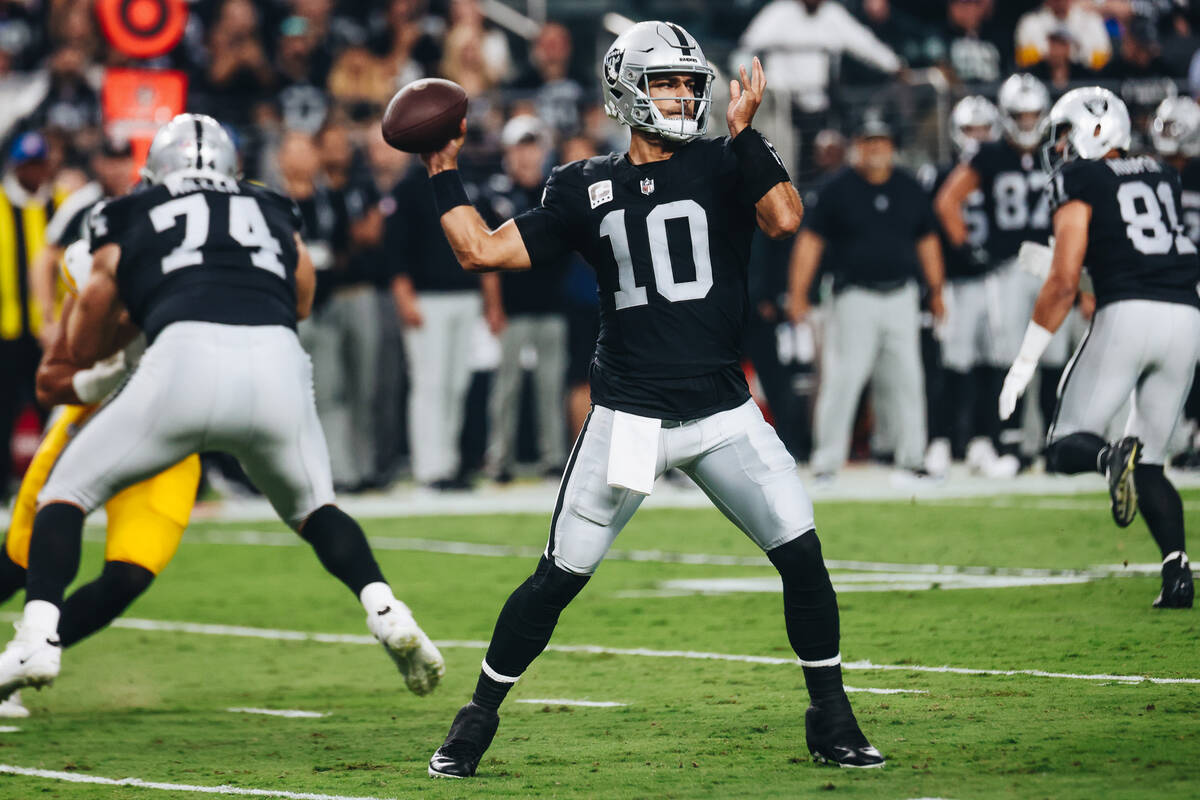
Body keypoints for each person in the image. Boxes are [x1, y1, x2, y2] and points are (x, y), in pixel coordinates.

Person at [420, 21, 883, 777]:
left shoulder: (725, 161)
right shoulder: (582, 186)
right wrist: (441, 167)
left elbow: (786, 218)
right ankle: (475, 719)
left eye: (688, 82)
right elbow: (481, 250)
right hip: (630, 418)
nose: (681, 95)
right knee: (556, 581)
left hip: (725, 414)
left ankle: (831, 718)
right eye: (666, 81)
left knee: (804, 557)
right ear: (628, 88)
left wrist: (748, 136)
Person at [0, 114, 444, 700]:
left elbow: (72, 348)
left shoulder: (126, 214)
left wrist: (100, 352)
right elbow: (303, 296)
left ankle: (36, 634)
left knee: (68, 496)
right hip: (276, 362)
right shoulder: (271, 208)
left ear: (155, 173)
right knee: (317, 509)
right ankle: (388, 610)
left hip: (172, 374)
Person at [999, 87, 1197, 609]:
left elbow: (1065, 281)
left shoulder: (1079, 176)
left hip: (1128, 314)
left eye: (1064, 133)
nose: (1058, 146)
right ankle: (1177, 571)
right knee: (1151, 461)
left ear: (1093, 129)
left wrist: (1023, 364)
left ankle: (1111, 457)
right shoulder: (1161, 172)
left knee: (1065, 445)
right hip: (1186, 316)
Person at [0, 240, 201, 719]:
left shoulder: (209, 266)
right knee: (20, 561)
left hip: (165, 436)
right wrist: (106, 376)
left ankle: (15, 664)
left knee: (130, 574)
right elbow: (51, 383)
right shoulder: (97, 263)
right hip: (91, 421)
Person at [787, 111, 945, 482]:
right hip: (852, 297)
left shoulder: (908, 187)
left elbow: (928, 240)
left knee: (907, 379)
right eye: (868, 142)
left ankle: (912, 457)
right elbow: (810, 244)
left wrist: (936, 291)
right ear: (857, 147)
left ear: (892, 148)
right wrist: (798, 293)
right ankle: (827, 462)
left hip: (902, 296)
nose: (875, 150)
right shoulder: (837, 189)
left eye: (882, 143)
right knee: (843, 379)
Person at [935, 74, 1073, 475]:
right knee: (1008, 355)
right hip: (1010, 265)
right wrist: (969, 248)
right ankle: (1007, 445)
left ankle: (1051, 446)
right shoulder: (991, 155)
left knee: (1055, 357)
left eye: (1033, 114)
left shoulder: (1060, 153)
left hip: (1050, 263)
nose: (1028, 123)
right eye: (1020, 115)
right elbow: (948, 202)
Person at [479, 115, 569, 482]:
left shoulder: (556, 190)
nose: (527, 155)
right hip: (513, 306)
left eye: (532, 146)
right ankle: (499, 459)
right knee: (507, 387)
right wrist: (494, 306)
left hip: (552, 303)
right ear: (508, 151)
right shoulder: (495, 194)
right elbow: (487, 256)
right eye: (520, 147)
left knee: (551, 386)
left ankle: (553, 457)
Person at [918, 94, 1000, 472]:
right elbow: (927, 234)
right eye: (970, 129)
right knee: (949, 366)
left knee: (990, 362)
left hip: (996, 280)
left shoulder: (1003, 171)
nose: (978, 136)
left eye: (984, 129)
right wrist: (935, 287)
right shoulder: (938, 174)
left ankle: (984, 440)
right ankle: (940, 440)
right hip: (954, 281)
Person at [1015, 0, 1111, 71]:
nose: (1060, 2)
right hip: (1042, 79)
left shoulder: (1090, 20)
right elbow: (1023, 60)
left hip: (1082, 80)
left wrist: (1072, 52)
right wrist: (1048, 50)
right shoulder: (1031, 22)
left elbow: (1104, 60)